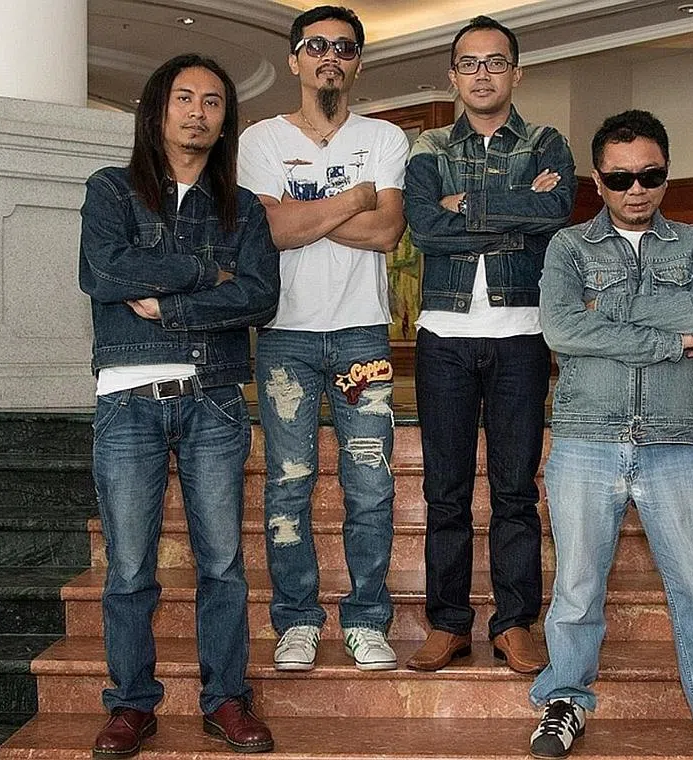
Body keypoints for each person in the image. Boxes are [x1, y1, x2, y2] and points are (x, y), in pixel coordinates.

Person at [527, 109, 693, 759]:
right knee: (576, 587)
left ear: (666, 173)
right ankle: (564, 700)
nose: (635, 189)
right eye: (619, 178)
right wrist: (669, 340)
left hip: (675, 440)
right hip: (586, 437)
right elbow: (562, 330)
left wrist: (607, 308)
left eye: (650, 175)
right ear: (598, 180)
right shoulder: (568, 248)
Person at [79, 54, 279, 757]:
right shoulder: (111, 190)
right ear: (156, 110)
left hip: (214, 398)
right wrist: (206, 272)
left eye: (213, 101)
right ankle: (132, 705)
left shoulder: (243, 208)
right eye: (184, 98)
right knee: (130, 567)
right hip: (127, 400)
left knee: (221, 564)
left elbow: (260, 297)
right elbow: (103, 272)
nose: (198, 111)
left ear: (226, 120)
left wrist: (167, 304)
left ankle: (226, 699)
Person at [237, 5, 408, 673]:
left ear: (358, 62)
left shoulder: (384, 136)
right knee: (288, 484)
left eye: (344, 47)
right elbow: (269, 232)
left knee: (371, 484)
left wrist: (303, 212)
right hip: (284, 335)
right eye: (316, 46)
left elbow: (386, 232)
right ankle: (297, 620)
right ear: (294, 59)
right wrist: (353, 200)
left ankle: (366, 619)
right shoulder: (260, 139)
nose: (329, 56)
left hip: (363, 332)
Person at [403, 15, 576, 675]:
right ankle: (448, 624)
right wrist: (512, 205)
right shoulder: (428, 146)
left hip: (522, 337)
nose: (482, 74)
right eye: (470, 63)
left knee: (514, 491)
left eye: (495, 62)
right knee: (445, 491)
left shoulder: (546, 142)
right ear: (453, 76)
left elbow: (554, 213)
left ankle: (514, 623)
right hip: (444, 338)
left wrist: (465, 208)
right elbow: (424, 227)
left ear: (516, 73)